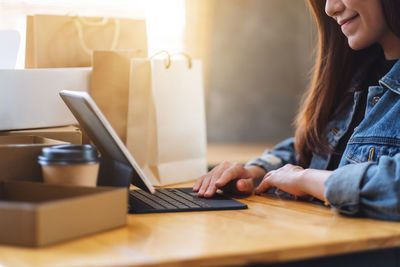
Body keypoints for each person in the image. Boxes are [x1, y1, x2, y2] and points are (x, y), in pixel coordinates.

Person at [193, 0, 400, 221]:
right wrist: (257, 174)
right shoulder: (356, 74)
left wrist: (305, 180)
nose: (330, 8)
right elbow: (317, 147)